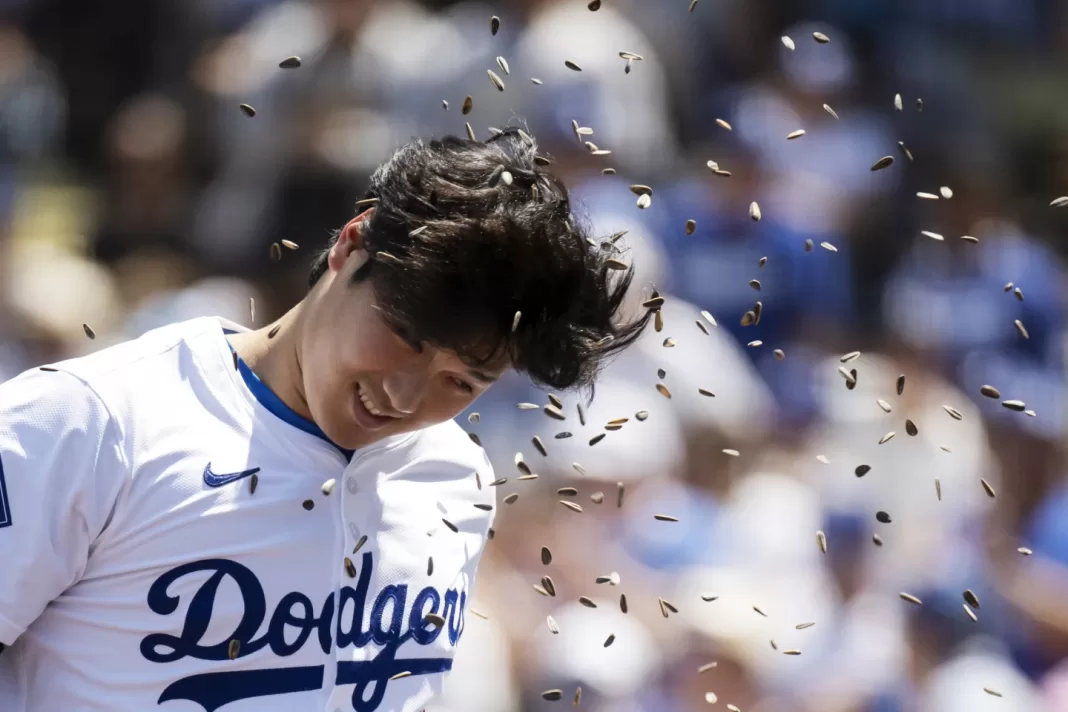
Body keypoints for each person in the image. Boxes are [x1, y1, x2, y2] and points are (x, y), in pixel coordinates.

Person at [0, 129, 649, 711]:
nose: (403, 394)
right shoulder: (90, 422)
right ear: (351, 244)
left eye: (461, 381)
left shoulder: (455, 479)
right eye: (404, 335)